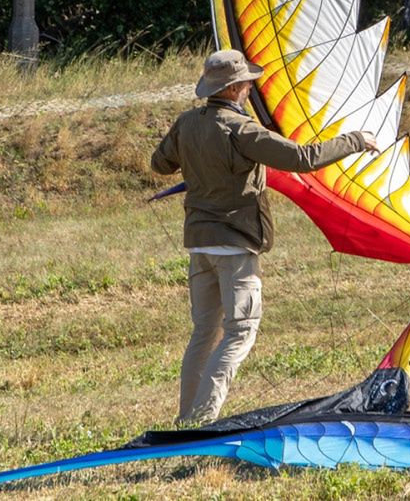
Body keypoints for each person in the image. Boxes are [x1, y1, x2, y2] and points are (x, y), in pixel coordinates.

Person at [151, 49, 378, 425]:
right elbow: (303, 158)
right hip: (234, 244)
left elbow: (160, 164)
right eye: (248, 84)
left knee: (204, 333)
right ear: (238, 87)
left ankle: (184, 419)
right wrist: (357, 140)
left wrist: (198, 157)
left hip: (199, 243)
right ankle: (200, 421)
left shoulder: (187, 122)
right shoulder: (243, 130)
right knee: (240, 331)